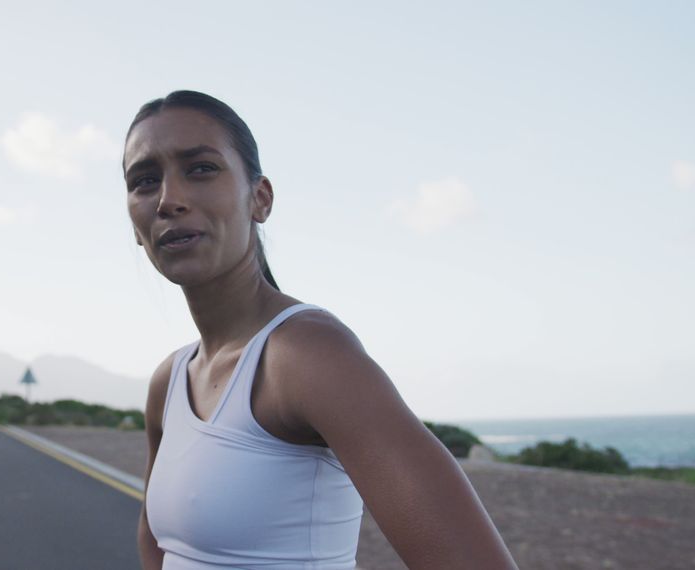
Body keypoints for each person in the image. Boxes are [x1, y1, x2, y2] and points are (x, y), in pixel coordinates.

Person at [125, 90, 518, 570]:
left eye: (201, 168)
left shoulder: (306, 355)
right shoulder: (169, 381)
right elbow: (156, 542)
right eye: (145, 181)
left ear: (260, 199)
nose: (169, 199)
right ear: (135, 224)